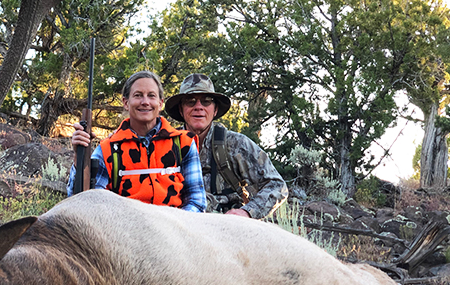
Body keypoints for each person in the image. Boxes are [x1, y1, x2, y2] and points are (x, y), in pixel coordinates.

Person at [67, 71, 206, 212]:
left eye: (151, 96)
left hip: (174, 229)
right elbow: (86, 203)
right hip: (123, 229)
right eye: (138, 95)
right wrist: (79, 157)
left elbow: (197, 201)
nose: (145, 102)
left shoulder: (184, 143)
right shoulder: (108, 149)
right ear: (126, 103)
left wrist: (174, 230)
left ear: (160, 103)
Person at [164, 73, 288, 219]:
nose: (198, 107)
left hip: (226, 228)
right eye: (190, 101)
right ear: (181, 110)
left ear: (215, 110)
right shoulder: (166, 145)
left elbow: (277, 185)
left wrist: (247, 212)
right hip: (180, 226)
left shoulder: (236, 144)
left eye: (206, 101)